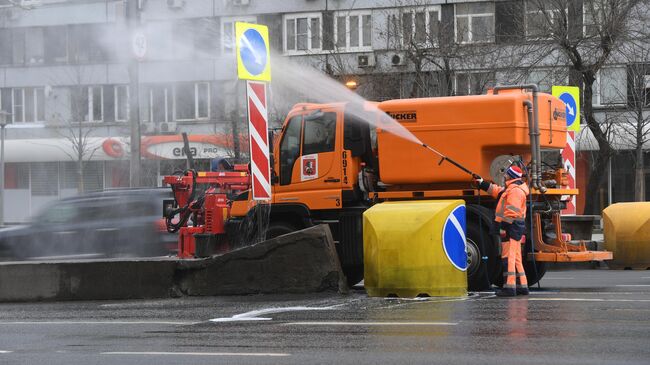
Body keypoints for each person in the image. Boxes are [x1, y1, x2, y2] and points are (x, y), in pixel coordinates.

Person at [475, 165, 530, 297]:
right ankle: (522, 287)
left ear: (511, 176)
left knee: (509, 258)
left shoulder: (515, 191)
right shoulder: (512, 188)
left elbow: (511, 212)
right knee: (516, 258)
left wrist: (504, 228)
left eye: (506, 173)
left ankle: (509, 288)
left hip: (511, 227)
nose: (504, 175)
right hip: (514, 227)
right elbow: (498, 191)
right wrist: (483, 183)